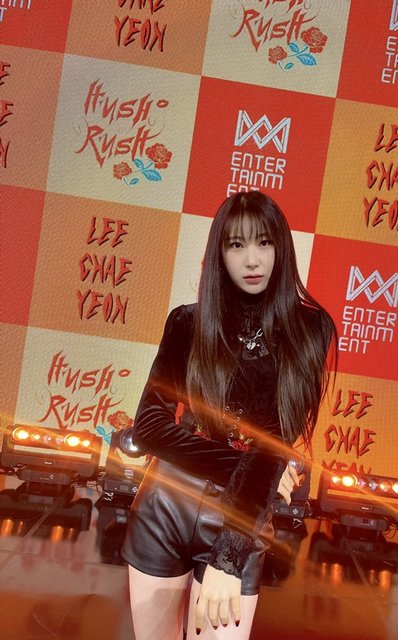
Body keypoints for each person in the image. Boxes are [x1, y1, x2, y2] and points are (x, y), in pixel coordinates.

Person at [121, 191, 337, 640]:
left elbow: (274, 443)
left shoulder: (309, 330)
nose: (252, 259)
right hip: (166, 504)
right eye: (236, 245)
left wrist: (229, 555)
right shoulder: (187, 323)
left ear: (281, 247)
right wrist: (251, 465)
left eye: (263, 242)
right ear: (219, 254)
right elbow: (151, 427)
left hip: (241, 516)